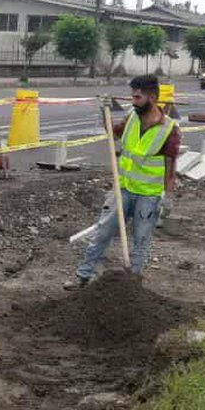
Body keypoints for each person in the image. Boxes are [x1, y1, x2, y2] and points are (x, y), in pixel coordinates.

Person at [66, 74, 180, 289]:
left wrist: (168, 196)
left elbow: (171, 165)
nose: (133, 101)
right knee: (103, 232)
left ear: (153, 98)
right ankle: (83, 276)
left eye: (138, 97)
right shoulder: (131, 118)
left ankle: (131, 286)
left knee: (141, 241)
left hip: (148, 195)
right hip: (123, 189)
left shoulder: (169, 129)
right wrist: (104, 111)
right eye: (132, 96)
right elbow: (112, 133)